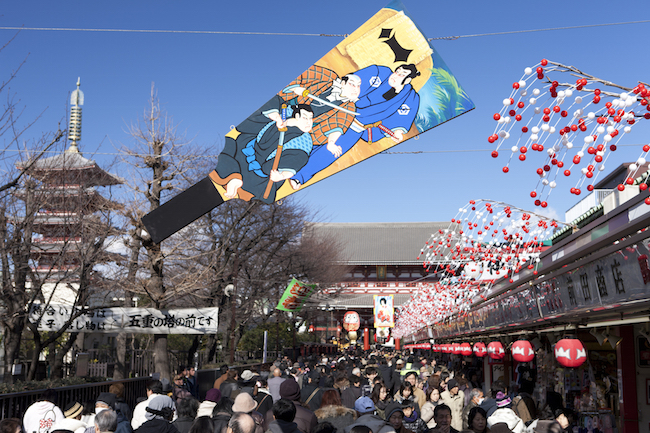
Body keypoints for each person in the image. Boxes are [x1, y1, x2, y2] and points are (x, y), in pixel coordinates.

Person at [289, 64, 421, 189]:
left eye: (401, 75)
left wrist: (398, 130)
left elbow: (404, 115)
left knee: (330, 153)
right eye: (396, 71)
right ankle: (288, 164)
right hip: (341, 112)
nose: (395, 75)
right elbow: (356, 80)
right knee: (314, 140)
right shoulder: (380, 73)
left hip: (357, 126)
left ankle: (299, 176)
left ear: (408, 80)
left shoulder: (410, 97)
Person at [211, 99, 315, 203]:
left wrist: (282, 175)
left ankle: (235, 178)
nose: (308, 122)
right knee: (231, 144)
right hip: (246, 150)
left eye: (311, 118)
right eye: (305, 117)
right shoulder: (284, 112)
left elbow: (299, 159)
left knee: (264, 181)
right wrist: (276, 117)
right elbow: (274, 103)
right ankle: (234, 176)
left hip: (261, 172)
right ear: (296, 116)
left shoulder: (304, 140)